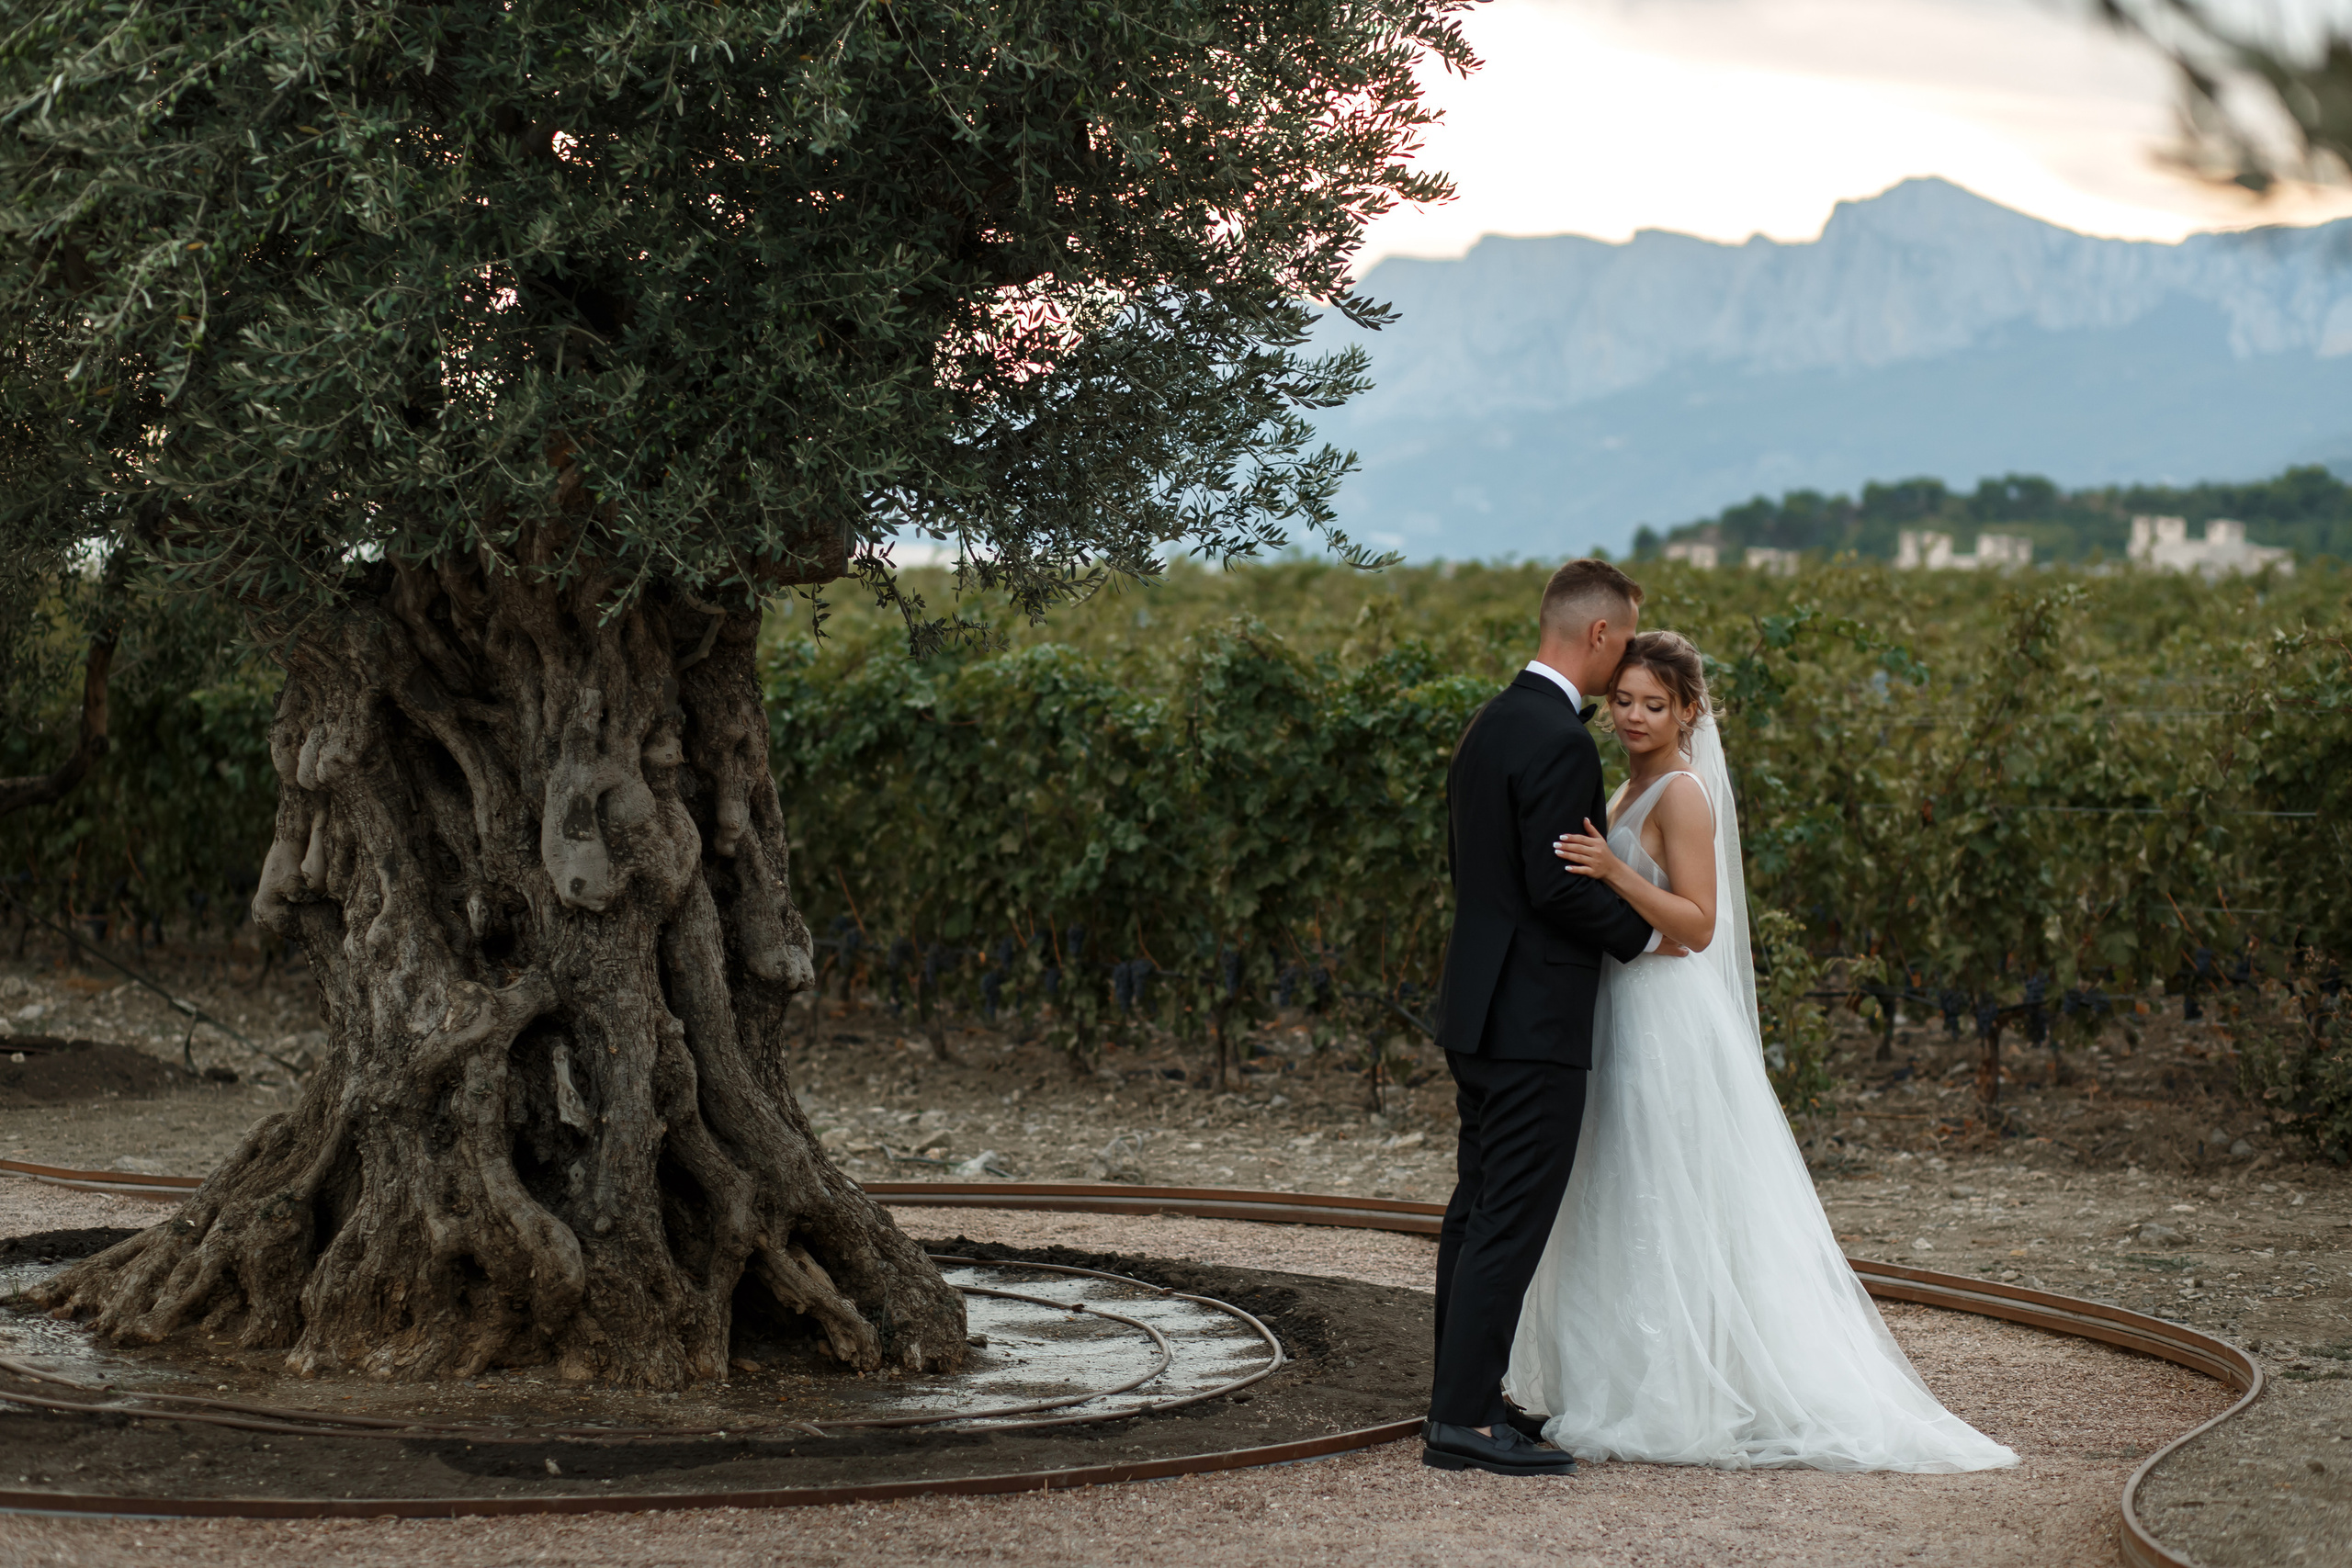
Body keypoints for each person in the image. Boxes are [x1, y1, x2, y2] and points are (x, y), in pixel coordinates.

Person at [1502, 630, 2017, 1473]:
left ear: (1690, 711)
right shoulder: (1631, 784)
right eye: (1624, 699)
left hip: (1665, 1015)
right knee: (1622, 1188)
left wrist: (1612, 872)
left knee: (1667, 1189)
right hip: (1622, 1003)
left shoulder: (1681, 794)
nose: (1632, 715)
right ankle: (1620, 1373)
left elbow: (1698, 925)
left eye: (1653, 704)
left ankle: (1682, 1391)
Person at [1423, 558, 1674, 1477]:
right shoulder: (1562, 742)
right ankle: (1459, 1424)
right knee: (1507, 1219)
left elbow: (1480, 871)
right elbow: (1559, 885)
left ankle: (1467, 1396)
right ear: (1600, 635)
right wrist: (1648, 940)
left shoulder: (1489, 723)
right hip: (1533, 1019)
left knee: (1474, 1210)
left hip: (1477, 1007)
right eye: (1622, 643)